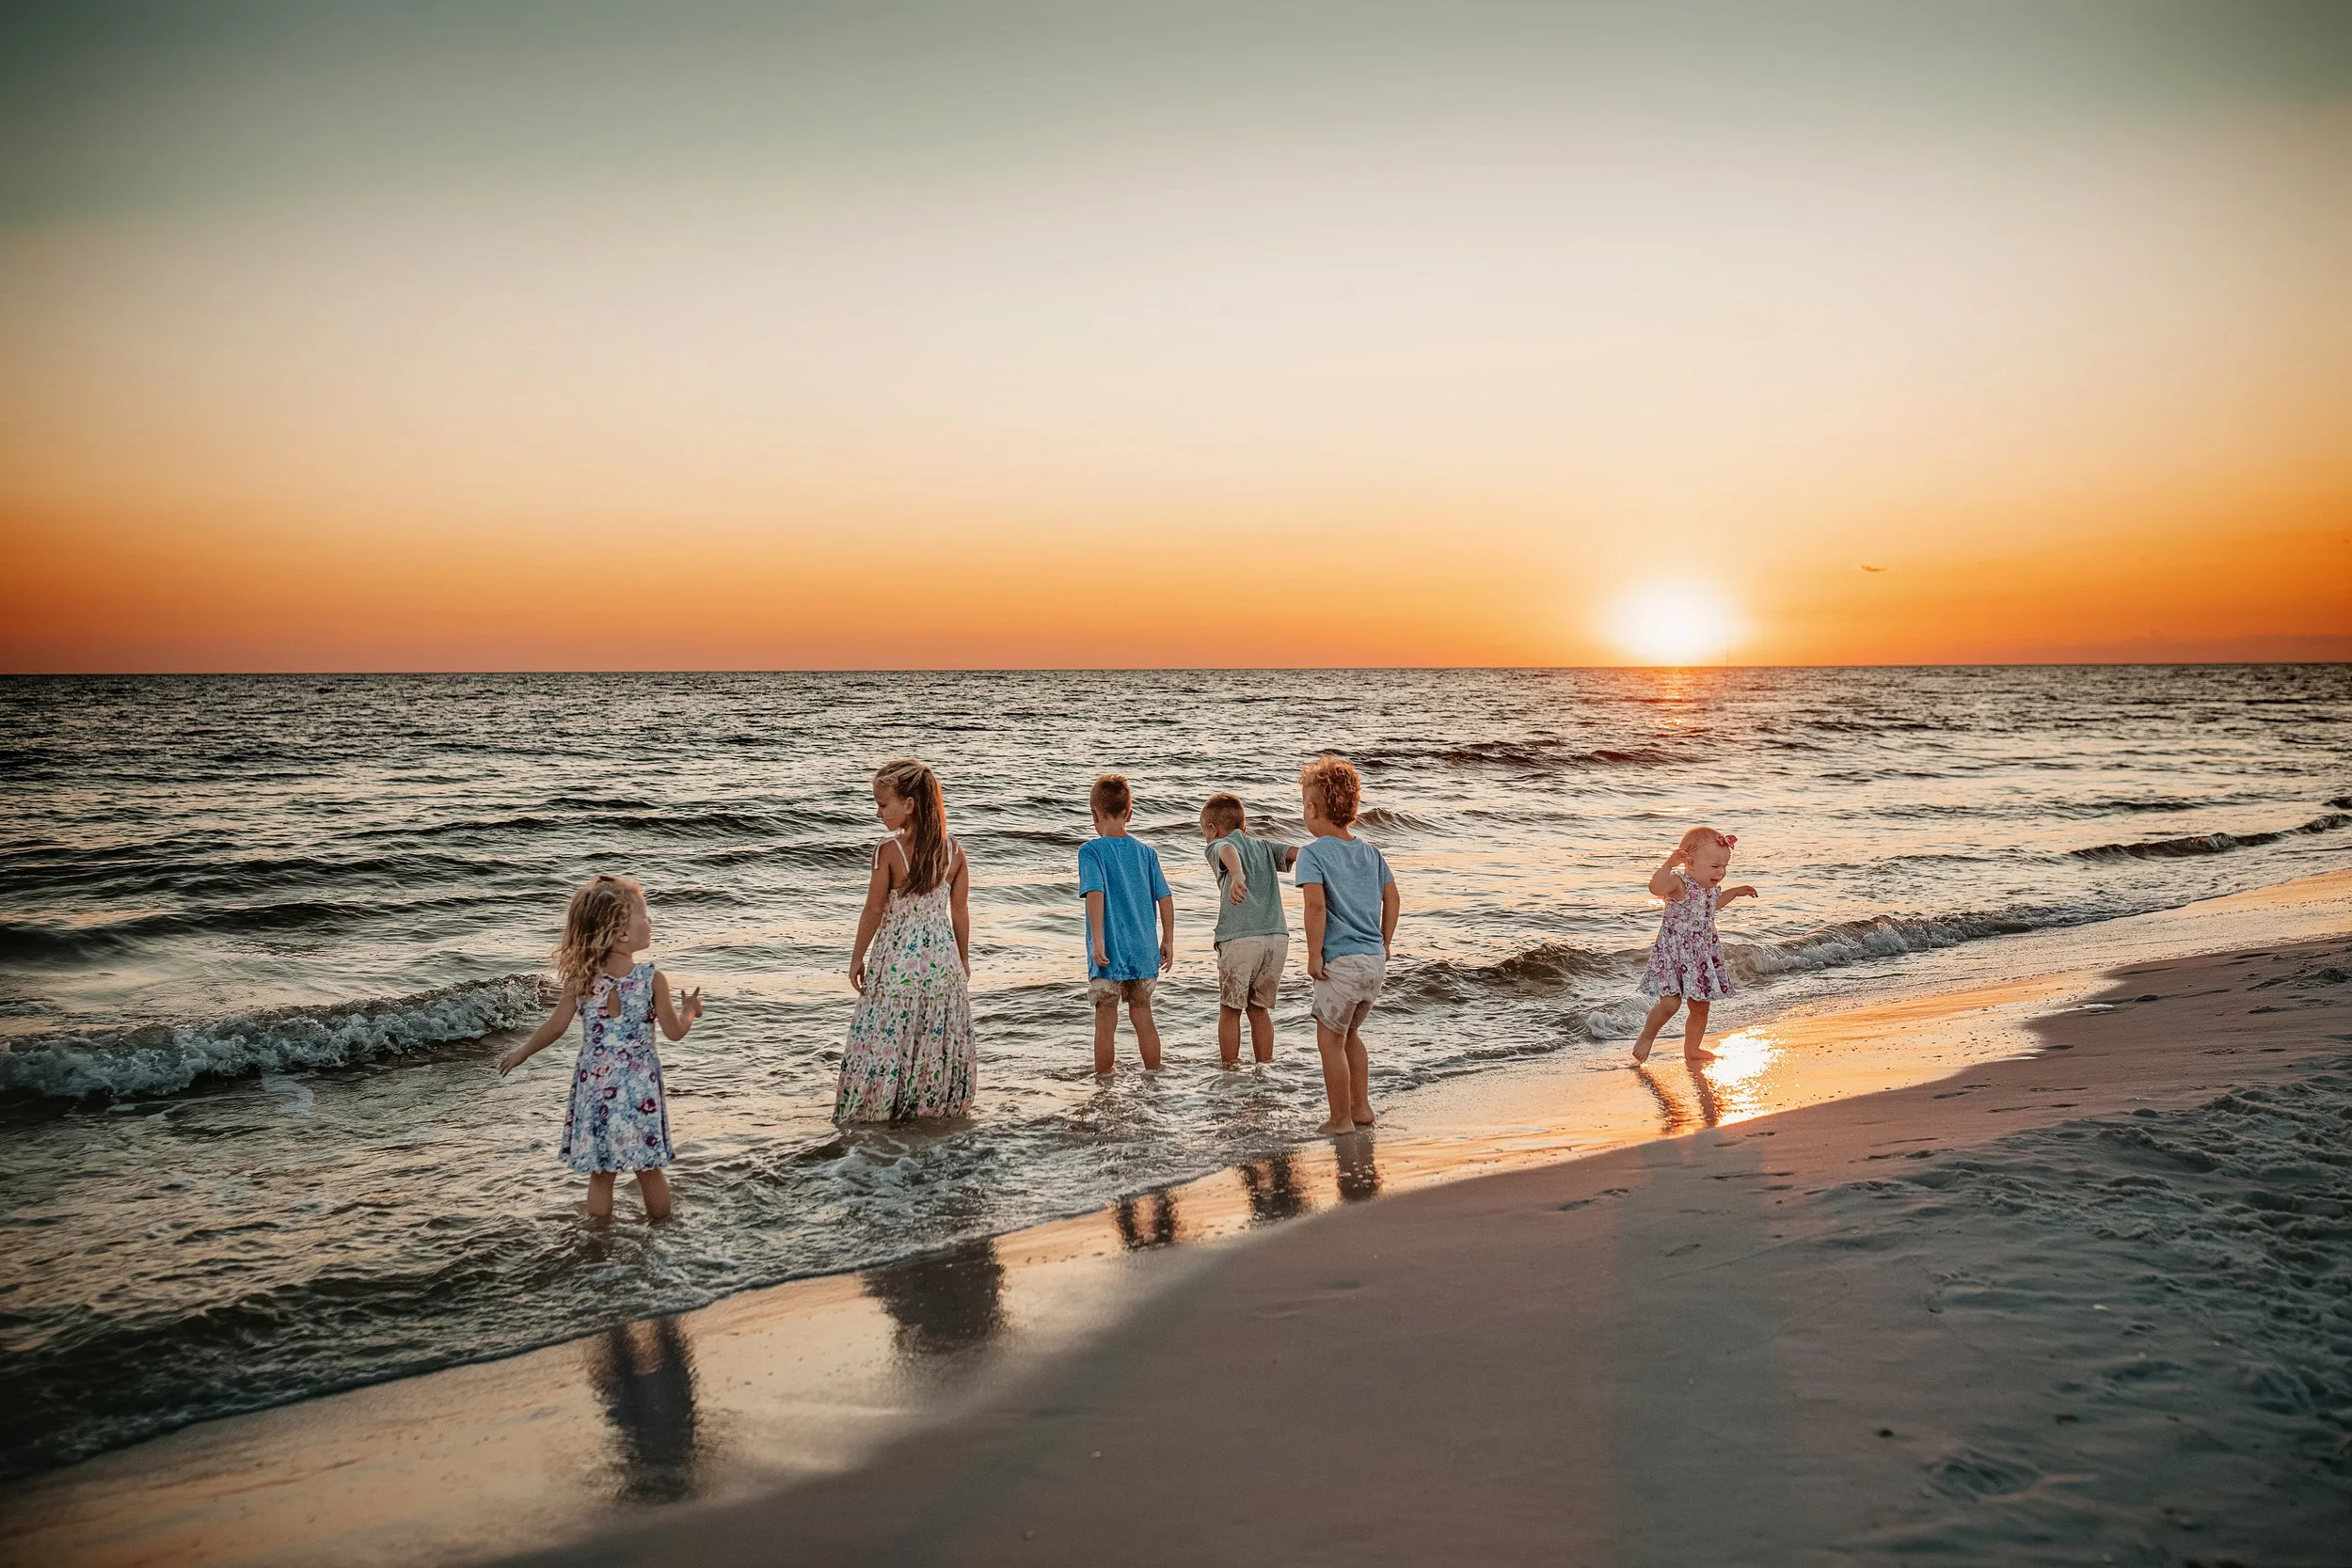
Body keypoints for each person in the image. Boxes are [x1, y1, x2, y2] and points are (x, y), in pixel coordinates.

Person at [500, 874, 702, 1221]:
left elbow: (555, 1027)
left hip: (597, 1089)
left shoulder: (581, 979)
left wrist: (522, 1052)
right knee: (649, 1168)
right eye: (645, 916)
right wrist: (689, 1011)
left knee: (602, 1173)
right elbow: (674, 1032)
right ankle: (662, 1233)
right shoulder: (652, 979)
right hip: (640, 1091)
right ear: (623, 932)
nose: (650, 922)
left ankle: (597, 1241)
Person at [837, 758, 977, 1123]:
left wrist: (856, 957)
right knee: (932, 1036)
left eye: (883, 805)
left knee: (891, 1034)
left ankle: (883, 1110)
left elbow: (873, 909)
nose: (878, 812)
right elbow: (959, 913)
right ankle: (932, 1109)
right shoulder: (955, 852)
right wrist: (963, 961)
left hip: (899, 959)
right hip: (942, 961)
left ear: (910, 804)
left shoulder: (889, 851)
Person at [1294, 755, 1398, 1134]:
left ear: (1312, 809)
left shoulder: (1312, 853)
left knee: (1330, 1041)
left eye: (1304, 805)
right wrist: (1383, 944)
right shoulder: (1370, 852)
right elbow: (1393, 898)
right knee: (1351, 1035)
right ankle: (1362, 1109)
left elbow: (1316, 906)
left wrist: (1314, 954)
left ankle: (1339, 1120)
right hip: (1373, 963)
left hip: (1340, 964)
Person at [1630, 826, 1756, 1064]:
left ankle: (1692, 1049)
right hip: (1674, 955)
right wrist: (1668, 864)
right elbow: (1655, 888)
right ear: (1689, 862)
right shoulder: (1679, 884)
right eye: (1715, 867)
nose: (1720, 872)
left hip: (1701, 956)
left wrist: (1734, 892)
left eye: (1724, 867)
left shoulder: (1709, 890)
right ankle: (1646, 1037)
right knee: (1670, 1004)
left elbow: (1714, 904)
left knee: (1700, 1007)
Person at [1080, 772, 1173, 1075]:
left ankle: (1104, 1083)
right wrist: (1168, 939)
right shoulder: (1147, 853)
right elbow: (1165, 898)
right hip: (1144, 952)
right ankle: (1154, 1075)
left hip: (1111, 951)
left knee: (1106, 1019)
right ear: (1129, 813)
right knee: (1143, 1015)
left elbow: (1095, 893)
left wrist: (1097, 940)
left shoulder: (1091, 851)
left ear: (1094, 813)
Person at [1199, 791, 1296, 1067]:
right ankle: (1264, 1069)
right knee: (1259, 1010)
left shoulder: (1217, 844)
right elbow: (1296, 853)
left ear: (1212, 828)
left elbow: (1226, 850)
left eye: (1205, 833)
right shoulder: (1264, 845)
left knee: (1230, 1010)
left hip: (1240, 939)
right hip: (1276, 938)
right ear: (1245, 826)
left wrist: (1238, 875)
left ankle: (1230, 1072)